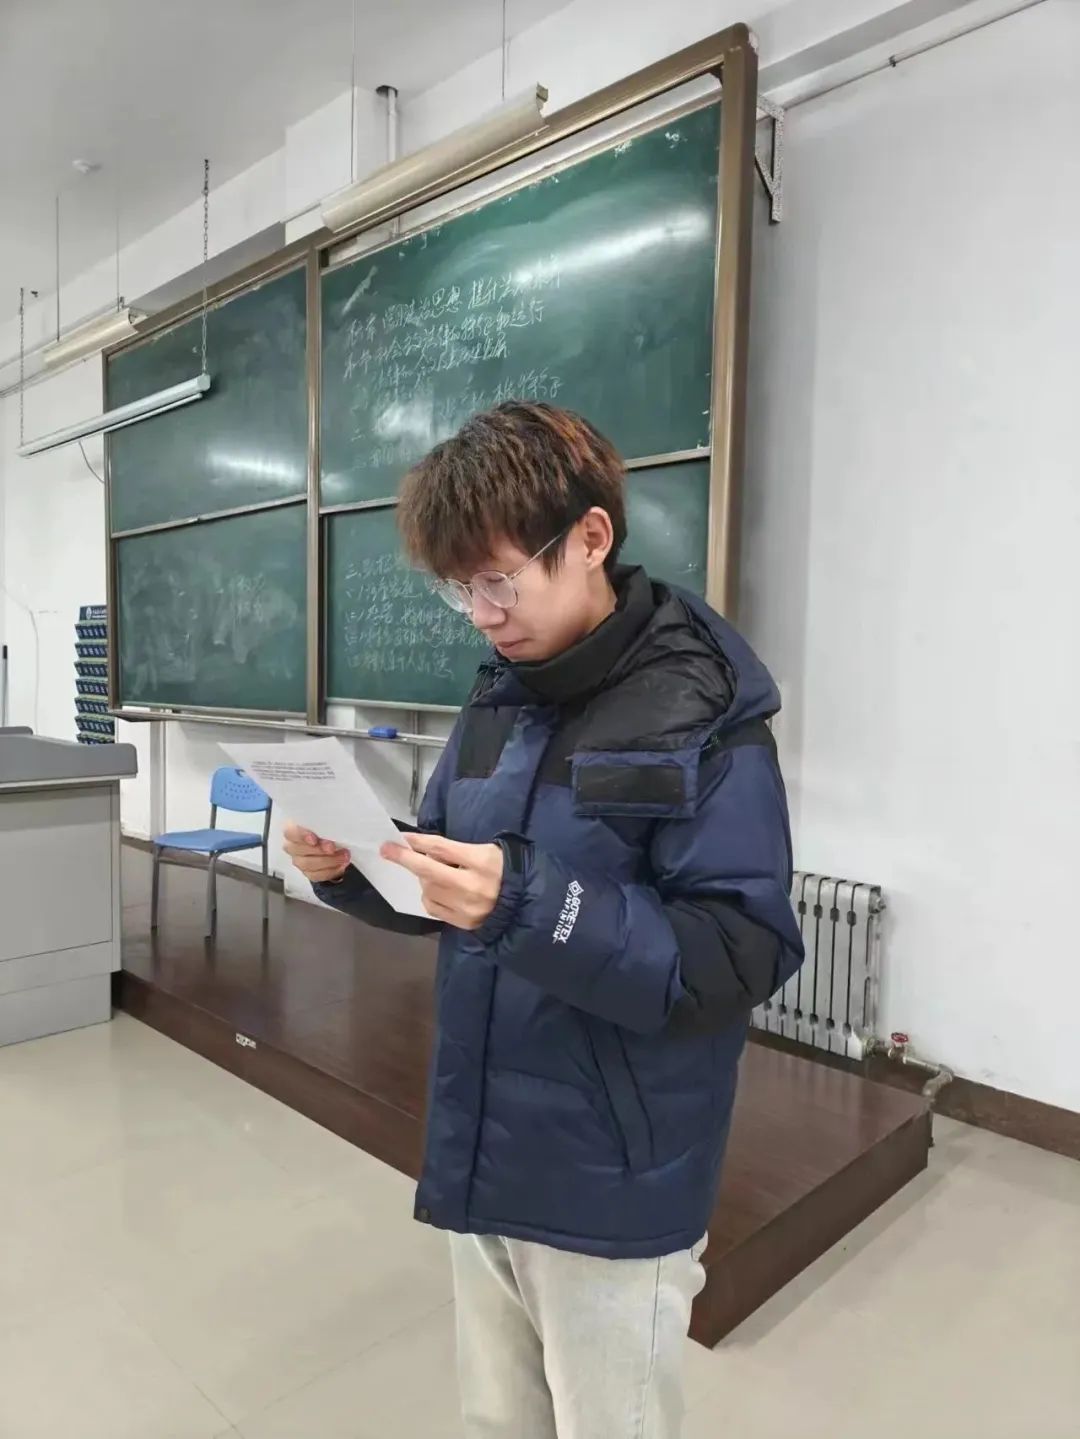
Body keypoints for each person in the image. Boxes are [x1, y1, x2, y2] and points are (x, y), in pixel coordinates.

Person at [284, 403, 804, 1439]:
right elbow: (455, 872)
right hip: (488, 1137)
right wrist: (358, 866)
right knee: (497, 1419)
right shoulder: (499, 699)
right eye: (459, 589)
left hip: (613, 1172)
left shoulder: (702, 710)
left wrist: (526, 901)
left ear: (592, 537)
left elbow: (738, 950)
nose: (482, 614)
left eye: (499, 580)